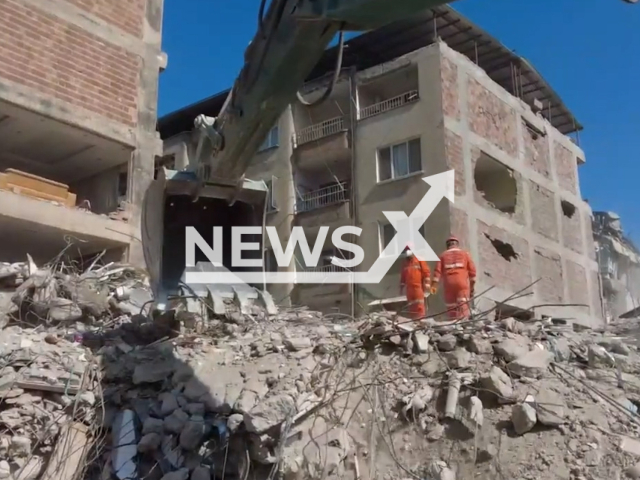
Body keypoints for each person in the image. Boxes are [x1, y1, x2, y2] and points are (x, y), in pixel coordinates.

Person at [431, 235, 477, 321]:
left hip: (449, 283)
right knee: (462, 303)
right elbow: (472, 272)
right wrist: (472, 287)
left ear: (447, 245)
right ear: (457, 244)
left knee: (451, 305)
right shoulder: (465, 254)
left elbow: (437, 272)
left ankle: (453, 321)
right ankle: (463, 322)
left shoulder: (443, 256)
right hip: (462, 283)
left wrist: (434, 286)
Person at [400, 246, 431, 320]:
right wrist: (401, 288)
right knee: (411, 306)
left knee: (419, 305)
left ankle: (421, 320)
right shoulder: (405, 263)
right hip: (409, 289)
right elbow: (403, 277)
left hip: (418, 287)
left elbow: (426, 272)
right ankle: (414, 321)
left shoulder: (419, 260)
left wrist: (427, 283)